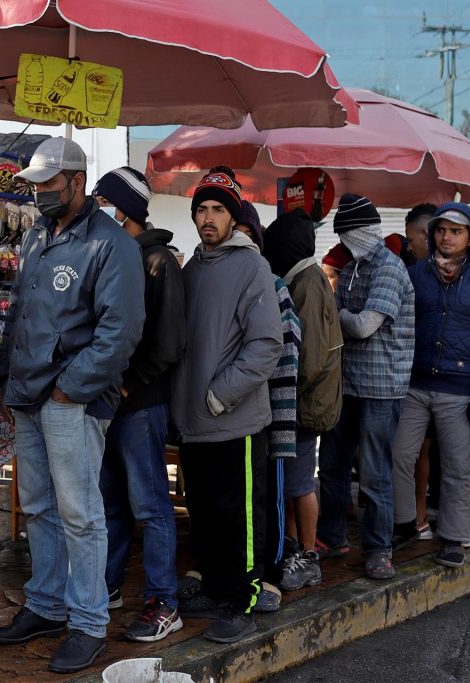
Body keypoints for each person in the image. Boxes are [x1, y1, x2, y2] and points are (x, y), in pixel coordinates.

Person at [0, 137, 144, 674]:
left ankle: (89, 622)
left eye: (48, 184)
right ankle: (47, 605)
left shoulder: (112, 244)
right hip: (29, 394)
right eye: (35, 186)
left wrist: (70, 387)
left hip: (71, 399)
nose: (39, 194)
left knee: (80, 514)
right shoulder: (37, 234)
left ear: (78, 181)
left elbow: (121, 331)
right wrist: (7, 380)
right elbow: (19, 313)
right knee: (38, 506)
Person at [173, 171, 281, 644]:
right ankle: (217, 590)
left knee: (241, 520)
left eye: (218, 209)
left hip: (235, 421)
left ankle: (244, 600)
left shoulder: (252, 267)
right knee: (204, 515)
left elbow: (266, 344)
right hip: (193, 423)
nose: (208, 218)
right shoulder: (191, 268)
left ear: (233, 217)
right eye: (201, 209)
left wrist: (219, 394)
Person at [92, 167, 185, 642]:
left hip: (140, 405)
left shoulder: (158, 262)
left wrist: (127, 387)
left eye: (102, 202)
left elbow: (167, 343)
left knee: (150, 505)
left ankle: (163, 601)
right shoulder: (113, 255)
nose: (96, 210)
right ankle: (107, 586)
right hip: (108, 405)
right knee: (111, 502)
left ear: (123, 209)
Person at [391, 203, 470, 568]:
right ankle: (405, 523)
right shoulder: (414, 275)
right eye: (441, 230)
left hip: (461, 390)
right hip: (414, 384)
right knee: (399, 454)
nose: (446, 237)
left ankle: (456, 538)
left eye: (456, 231)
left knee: (459, 466)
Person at [316, 194, 415, 581]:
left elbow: (362, 326)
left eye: (344, 234)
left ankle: (378, 550)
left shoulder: (389, 268)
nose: (341, 241)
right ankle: (331, 537)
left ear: (355, 233)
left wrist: (333, 309)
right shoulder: (353, 266)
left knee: (374, 476)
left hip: (380, 390)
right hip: (347, 385)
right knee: (333, 467)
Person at [262, 209, 344, 592]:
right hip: (306, 401)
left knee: (299, 483)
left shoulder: (307, 285)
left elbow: (307, 361)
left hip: (306, 405)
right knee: (292, 482)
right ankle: (293, 549)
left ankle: (308, 557)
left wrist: (281, 392)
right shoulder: (305, 278)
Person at [232, 200, 300, 615]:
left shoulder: (273, 285)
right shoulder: (216, 279)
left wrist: (282, 419)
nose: (239, 240)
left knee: (269, 497)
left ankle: (271, 572)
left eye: (246, 233)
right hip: (233, 415)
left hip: (270, 412)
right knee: (241, 501)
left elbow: (287, 354)